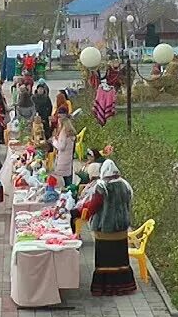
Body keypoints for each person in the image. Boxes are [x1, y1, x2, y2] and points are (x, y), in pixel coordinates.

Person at [79, 160, 138, 296]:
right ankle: (123, 286)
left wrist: (82, 212)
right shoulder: (125, 185)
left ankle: (106, 287)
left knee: (105, 259)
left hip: (105, 229)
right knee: (120, 258)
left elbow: (94, 205)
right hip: (121, 229)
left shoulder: (102, 187)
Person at [52, 113, 76, 187]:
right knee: (69, 176)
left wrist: (54, 142)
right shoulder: (71, 132)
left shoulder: (64, 132)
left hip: (63, 157)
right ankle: (71, 191)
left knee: (65, 178)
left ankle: (68, 191)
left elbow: (61, 146)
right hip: (69, 156)